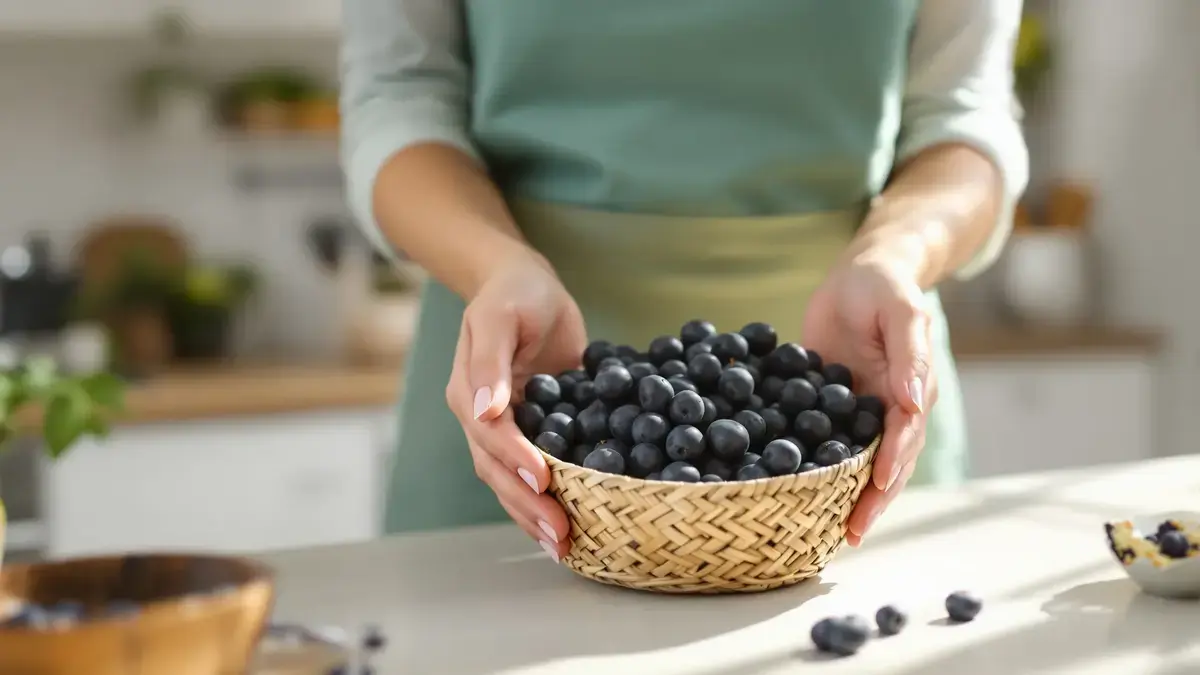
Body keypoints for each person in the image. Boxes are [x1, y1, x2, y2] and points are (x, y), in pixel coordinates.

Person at [341, 0, 1028, 559]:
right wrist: (495, 265)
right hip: (516, 375)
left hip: (854, 385)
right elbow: (400, 96)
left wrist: (898, 252)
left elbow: (964, 114)